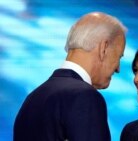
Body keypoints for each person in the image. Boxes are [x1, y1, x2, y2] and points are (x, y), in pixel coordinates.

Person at [14, 11, 127, 141]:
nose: (118, 68)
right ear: (104, 48)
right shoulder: (85, 97)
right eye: (119, 56)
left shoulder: (33, 98)